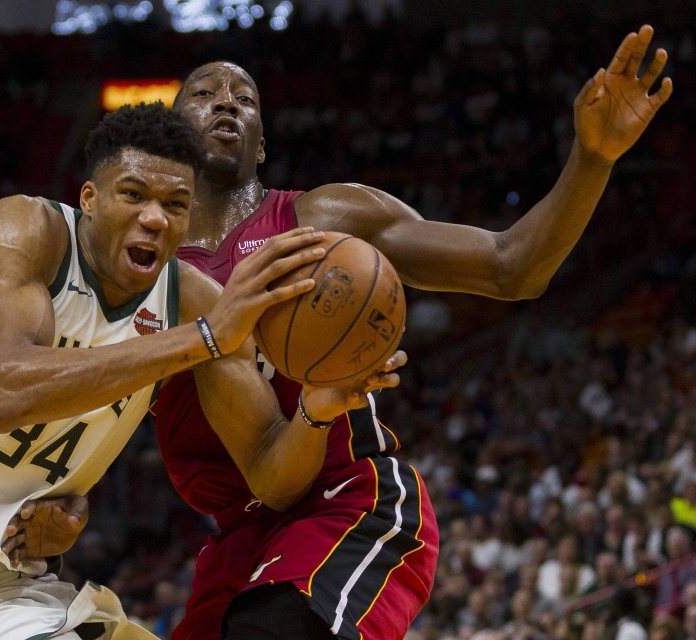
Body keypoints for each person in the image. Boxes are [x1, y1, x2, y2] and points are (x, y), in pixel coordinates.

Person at [0, 104, 392, 639]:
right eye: (133, 194)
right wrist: (201, 340)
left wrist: (316, 406)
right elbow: (4, 388)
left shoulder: (192, 302)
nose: (154, 217)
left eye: (175, 204)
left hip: (2, 585)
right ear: (89, 197)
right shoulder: (28, 230)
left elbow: (271, 475)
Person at [152, 24, 671, 640]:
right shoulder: (141, 272)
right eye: (205, 94)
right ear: (171, 134)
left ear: (261, 144)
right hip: (239, 538)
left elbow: (513, 266)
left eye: (245, 98)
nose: (227, 102)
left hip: (347, 499)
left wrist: (593, 158)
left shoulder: (324, 218)